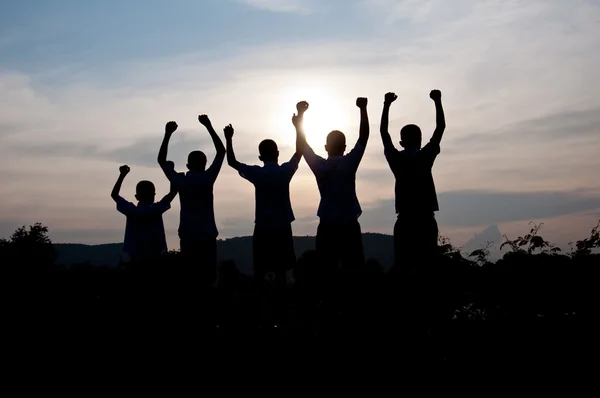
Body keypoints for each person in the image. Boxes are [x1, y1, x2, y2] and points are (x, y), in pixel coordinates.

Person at [223, 102, 307, 289]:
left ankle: (258, 307)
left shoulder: (257, 174)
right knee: (281, 272)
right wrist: (299, 122)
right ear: (277, 153)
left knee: (260, 271)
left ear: (260, 157)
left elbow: (231, 162)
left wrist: (228, 139)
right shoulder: (285, 171)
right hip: (282, 227)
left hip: (262, 227)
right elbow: (300, 150)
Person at [379, 90, 446, 271]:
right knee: (427, 266)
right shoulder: (425, 156)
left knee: (403, 266)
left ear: (401, 142)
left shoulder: (397, 160)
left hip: (406, 221)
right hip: (425, 220)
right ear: (420, 140)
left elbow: (384, 133)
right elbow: (440, 128)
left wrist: (386, 105)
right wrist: (437, 101)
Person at [301, 97, 370, 272]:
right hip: (349, 224)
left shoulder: (319, 166)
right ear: (345, 147)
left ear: (326, 147)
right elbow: (363, 138)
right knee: (354, 271)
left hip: (327, 225)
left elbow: (303, 146)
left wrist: (300, 118)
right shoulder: (349, 163)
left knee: (326, 272)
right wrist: (363, 109)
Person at [157, 117, 226, 287]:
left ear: (188, 165)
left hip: (188, 235)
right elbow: (221, 152)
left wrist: (167, 134)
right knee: (208, 278)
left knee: (190, 278)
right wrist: (209, 126)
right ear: (204, 164)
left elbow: (161, 160)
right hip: (207, 234)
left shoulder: (181, 181)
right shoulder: (208, 178)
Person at [111, 164, 177, 265]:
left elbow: (114, 195)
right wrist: (171, 170)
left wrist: (122, 175)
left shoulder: (131, 211)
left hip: (134, 259)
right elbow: (173, 192)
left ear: (137, 196)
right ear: (153, 195)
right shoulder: (157, 209)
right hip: (156, 259)